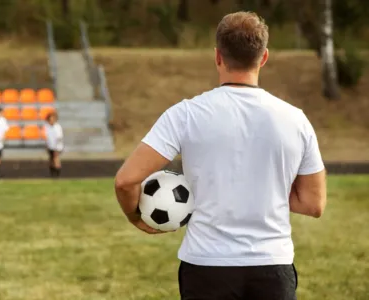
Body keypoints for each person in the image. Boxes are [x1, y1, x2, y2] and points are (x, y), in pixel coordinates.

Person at [114, 12, 326, 300]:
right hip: (272, 266)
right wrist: (262, 189)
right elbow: (313, 203)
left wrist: (135, 217)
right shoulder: (296, 120)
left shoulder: (185, 114)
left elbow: (126, 182)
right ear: (263, 58)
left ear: (217, 56)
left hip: (206, 266)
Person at [44, 112, 64, 178]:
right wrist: (47, 145)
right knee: (51, 159)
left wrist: (56, 147)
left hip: (57, 146)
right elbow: (47, 137)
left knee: (56, 158)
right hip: (50, 145)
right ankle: (52, 173)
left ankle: (57, 174)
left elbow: (59, 137)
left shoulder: (57, 127)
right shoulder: (47, 127)